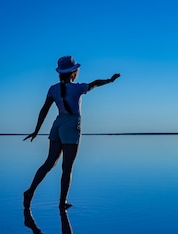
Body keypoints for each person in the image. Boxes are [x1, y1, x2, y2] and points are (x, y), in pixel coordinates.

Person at [23, 56, 120, 209]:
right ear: (73, 72)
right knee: (67, 168)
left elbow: (44, 110)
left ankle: (30, 191)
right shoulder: (78, 88)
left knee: (49, 162)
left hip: (57, 123)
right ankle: (62, 202)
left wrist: (36, 130)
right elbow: (94, 83)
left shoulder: (53, 88)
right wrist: (109, 80)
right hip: (71, 124)